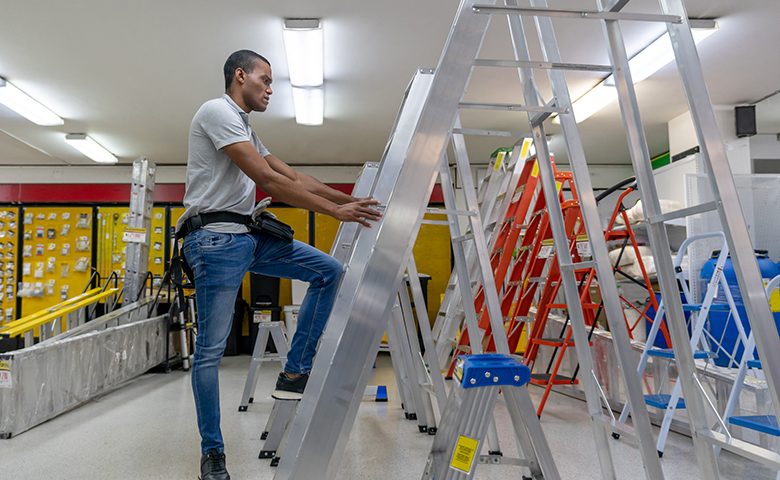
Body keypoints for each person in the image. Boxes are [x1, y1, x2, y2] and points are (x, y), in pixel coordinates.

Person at [176, 49, 381, 480]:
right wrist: (335, 214)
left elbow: (291, 178)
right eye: (265, 80)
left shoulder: (246, 127)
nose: (270, 89)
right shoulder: (217, 112)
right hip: (213, 241)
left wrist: (349, 201)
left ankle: (294, 371)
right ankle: (213, 453)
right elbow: (266, 182)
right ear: (239, 76)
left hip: (248, 237)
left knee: (329, 271)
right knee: (210, 352)